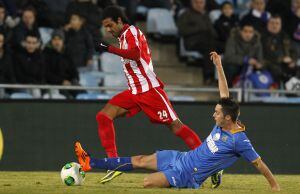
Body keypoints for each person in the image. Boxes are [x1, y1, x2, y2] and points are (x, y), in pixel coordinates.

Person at [74, 52, 280, 191]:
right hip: (181, 157)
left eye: (217, 113)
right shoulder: (225, 120)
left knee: (147, 183)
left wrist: (274, 186)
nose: (213, 115)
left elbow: (259, 164)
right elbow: (224, 91)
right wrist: (218, 65)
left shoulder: (239, 141)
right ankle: (89, 163)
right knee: (140, 160)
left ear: (227, 118)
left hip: (188, 174)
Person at [94, 5, 206, 184]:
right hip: (135, 92)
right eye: (105, 27)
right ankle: (114, 163)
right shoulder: (123, 37)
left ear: (120, 21)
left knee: (176, 126)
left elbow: (135, 54)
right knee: (104, 116)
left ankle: (209, 162)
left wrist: (109, 49)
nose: (108, 30)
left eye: (110, 25)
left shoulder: (131, 32)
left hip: (149, 90)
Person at [177, 0, 216, 83]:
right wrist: (200, 29)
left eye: (201, 2)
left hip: (207, 41)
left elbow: (212, 31)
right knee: (209, 48)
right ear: (192, 3)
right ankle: (208, 75)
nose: (199, 5)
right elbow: (182, 31)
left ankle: (215, 77)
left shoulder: (206, 15)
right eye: (196, 2)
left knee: (217, 46)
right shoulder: (186, 14)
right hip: (192, 42)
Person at [261, 15, 298, 84]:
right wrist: (282, 59)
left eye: (277, 23)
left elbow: (294, 51)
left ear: (280, 25)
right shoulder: (262, 37)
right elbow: (266, 53)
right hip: (269, 64)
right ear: (267, 24)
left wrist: (293, 60)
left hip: (286, 64)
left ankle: (295, 92)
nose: (274, 26)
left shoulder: (285, 36)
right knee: (276, 70)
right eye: (272, 23)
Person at [223, 22, 263, 86]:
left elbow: (260, 58)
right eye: (245, 31)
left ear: (253, 33)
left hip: (250, 67)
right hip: (235, 65)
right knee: (230, 68)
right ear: (241, 32)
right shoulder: (232, 40)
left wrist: (258, 64)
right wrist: (245, 60)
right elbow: (228, 57)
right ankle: (228, 90)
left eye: (250, 32)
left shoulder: (257, 42)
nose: (248, 34)